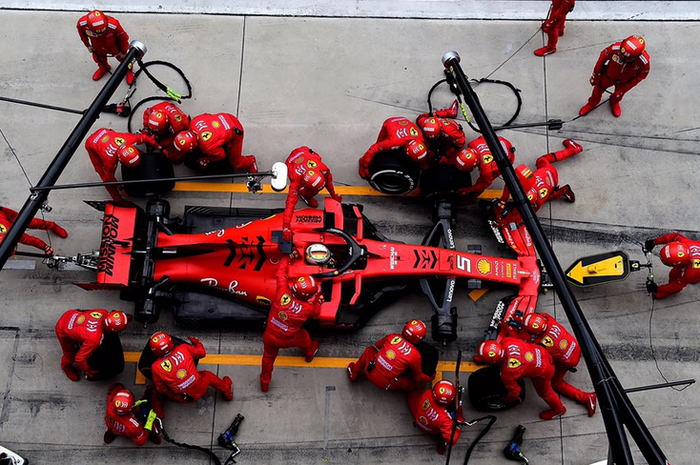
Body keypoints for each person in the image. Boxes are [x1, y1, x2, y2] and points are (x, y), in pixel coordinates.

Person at [260, 252, 322, 392]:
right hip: (287, 339)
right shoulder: (307, 308)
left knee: (267, 359)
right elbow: (316, 313)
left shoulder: (283, 292)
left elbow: (280, 274)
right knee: (305, 337)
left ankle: (264, 383)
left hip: (269, 335)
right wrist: (319, 299)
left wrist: (287, 257)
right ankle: (309, 354)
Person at [522, 313, 597, 416]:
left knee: (555, 383)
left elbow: (531, 350)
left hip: (568, 361)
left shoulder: (540, 343)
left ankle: (585, 397)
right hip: (575, 348)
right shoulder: (548, 318)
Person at [475, 338, 566, 420]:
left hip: (545, 370)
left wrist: (507, 400)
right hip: (542, 352)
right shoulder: (507, 341)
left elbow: (515, 391)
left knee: (545, 393)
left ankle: (558, 409)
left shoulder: (508, 373)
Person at [496, 139, 582, 219]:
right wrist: (503, 202)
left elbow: (520, 217)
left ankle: (562, 190)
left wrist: (503, 202)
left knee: (541, 161)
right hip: (549, 174)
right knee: (541, 161)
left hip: (550, 176)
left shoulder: (535, 203)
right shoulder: (535, 202)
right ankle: (573, 149)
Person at [347, 319, 434, 391]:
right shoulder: (416, 355)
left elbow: (377, 345)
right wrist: (429, 378)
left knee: (369, 350)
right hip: (386, 384)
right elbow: (417, 377)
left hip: (369, 370)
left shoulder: (392, 336)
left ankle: (354, 372)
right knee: (419, 383)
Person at [150, 331, 233, 403]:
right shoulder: (183, 348)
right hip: (200, 386)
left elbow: (161, 388)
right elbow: (202, 353)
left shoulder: (155, 367)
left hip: (183, 398)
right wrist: (197, 342)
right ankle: (227, 391)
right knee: (208, 375)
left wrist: (173, 396)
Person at [579, 35, 650, 117]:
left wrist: (623, 90)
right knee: (597, 91)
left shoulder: (644, 62)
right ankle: (591, 103)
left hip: (623, 81)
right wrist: (595, 75)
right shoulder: (615, 48)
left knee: (618, 96)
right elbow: (602, 57)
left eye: (626, 58)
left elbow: (640, 77)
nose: (621, 57)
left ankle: (614, 102)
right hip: (608, 76)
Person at [282, 146, 342, 241]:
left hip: (302, 151)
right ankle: (305, 195)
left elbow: (329, 181)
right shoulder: (295, 183)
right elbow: (290, 204)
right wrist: (286, 226)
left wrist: (333, 194)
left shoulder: (323, 168)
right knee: (312, 191)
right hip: (291, 163)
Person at [84, 128, 160, 203]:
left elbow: (146, 138)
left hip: (104, 131)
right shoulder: (110, 161)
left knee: (142, 153)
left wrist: (161, 149)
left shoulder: (131, 139)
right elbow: (108, 179)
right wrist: (120, 188)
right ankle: (117, 199)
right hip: (92, 142)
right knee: (102, 173)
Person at [55, 309, 130, 381]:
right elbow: (79, 358)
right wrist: (87, 371)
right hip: (62, 329)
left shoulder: (103, 312)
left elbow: (87, 311)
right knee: (70, 355)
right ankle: (65, 367)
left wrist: (119, 321)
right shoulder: (95, 339)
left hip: (71, 314)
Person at [173, 113, 257, 173]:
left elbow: (221, 155)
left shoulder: (207, 147)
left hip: (236, 131)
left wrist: (207, 159)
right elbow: (208, 115)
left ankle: (250, 162)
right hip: (227, 117)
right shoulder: (194, 121)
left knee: (235, 163)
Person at [407, 380, 466, 455]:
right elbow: (452, 440)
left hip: (418, 416)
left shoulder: (428, 393)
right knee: (456, 419)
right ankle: (441, 446)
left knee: (412, 392)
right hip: (431, 429)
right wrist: (458, 426)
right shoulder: (445, 419)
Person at [358, 117, 428, 179]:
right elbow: (373, 149)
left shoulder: (420, 139)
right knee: (378, 148)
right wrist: (365, 166)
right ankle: (362, 162)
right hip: (391, 123)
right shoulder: (393, 142)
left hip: (405, 122)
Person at [77, 10, 133, 83]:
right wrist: (87, 45)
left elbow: (123, 38)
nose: (100, 34)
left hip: (114, 46)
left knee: (124, 59)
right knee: (99, 59)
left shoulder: (114, 25)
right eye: (97, 32)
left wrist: (123, 51)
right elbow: (82, 35)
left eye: (102, 31)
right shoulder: (82, 24)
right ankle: (104, 68)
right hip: (97, 46)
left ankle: (129, 69)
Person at [455, 136, 516, 201]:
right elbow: (482, 137)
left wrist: (469, 190)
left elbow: (484, 184)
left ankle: (472, 199)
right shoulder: (472, 143)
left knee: (483, 182)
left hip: (508, 155)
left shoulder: (487, 170)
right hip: (501, 140)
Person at [644, 234, 700, 299]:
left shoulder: (692, 271)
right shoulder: (681, 241)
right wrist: (654, 242)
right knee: (674, 274)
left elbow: (678, 285)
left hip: (695, 269)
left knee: (692, 279)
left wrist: (657, 289)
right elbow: (672, 237)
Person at [0, 205, 67, 256]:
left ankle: (52, 226)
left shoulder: (11, 234)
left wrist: (45, 247)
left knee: (30, 222)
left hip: (5, 215)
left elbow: (30, 240)